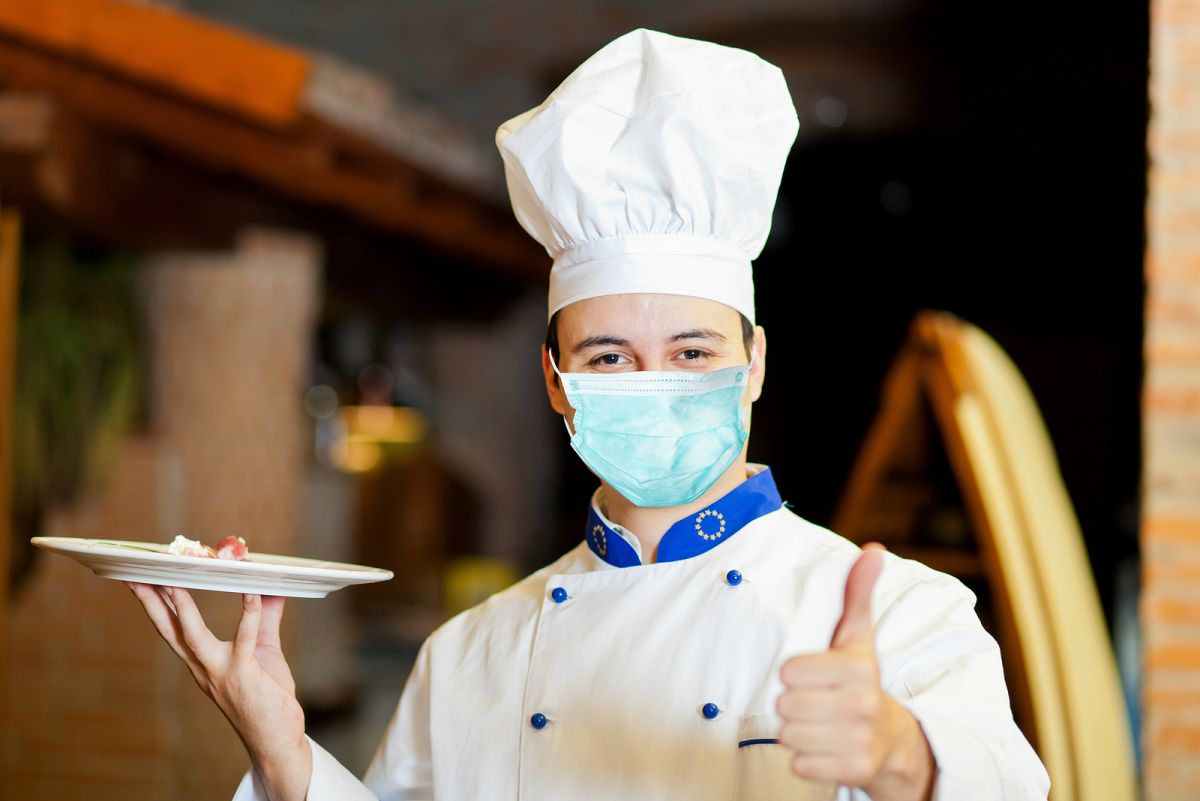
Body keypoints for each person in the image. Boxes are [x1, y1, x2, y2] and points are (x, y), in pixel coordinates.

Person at [126, 28, 1051, 801]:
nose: (654, 380)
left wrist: (898, 753)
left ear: (755, 365)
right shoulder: (470, 653)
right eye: (610, 357)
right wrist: (282, 749)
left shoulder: (897, 612)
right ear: (557, 381)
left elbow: (1006, 781)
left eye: (692, 353)